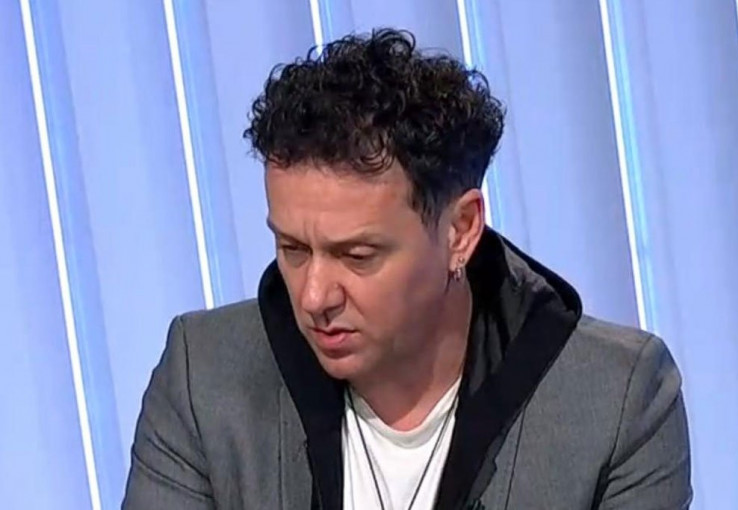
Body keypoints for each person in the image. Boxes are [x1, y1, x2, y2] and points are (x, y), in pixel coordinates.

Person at [122, 28, 692, 510]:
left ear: (460, 230)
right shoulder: (203, 379)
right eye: (292, 249)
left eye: (357, 255)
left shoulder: (616, 401)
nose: (315, 296)